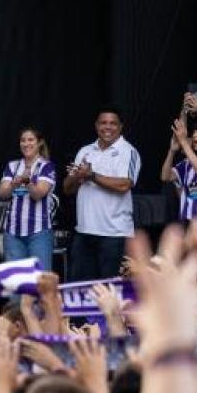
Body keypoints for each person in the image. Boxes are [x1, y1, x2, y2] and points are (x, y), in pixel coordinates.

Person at [63, 106, 140, 281]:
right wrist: (77, 177)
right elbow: (68, 189)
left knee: (111, 291)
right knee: (83, 291)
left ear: (121, 127)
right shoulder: (85, 151)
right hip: (84, 232)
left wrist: (91, 175)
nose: (107, 127)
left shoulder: (129, 152)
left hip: (114, 235)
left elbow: (124, 185)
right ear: (96, 125)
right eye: (103, 123)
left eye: (113, 123)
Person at [0, 128, 57, 270]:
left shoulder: (47, 166)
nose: (26, 143)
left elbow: (38, 194)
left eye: (31, 140)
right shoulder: (12, 166)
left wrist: (27, 182)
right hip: (12, 233)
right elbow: (2, 194)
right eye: (23, 140)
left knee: (39, 281)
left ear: (39, 143)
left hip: (39, 232)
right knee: (14, 283)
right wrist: (14, 183)